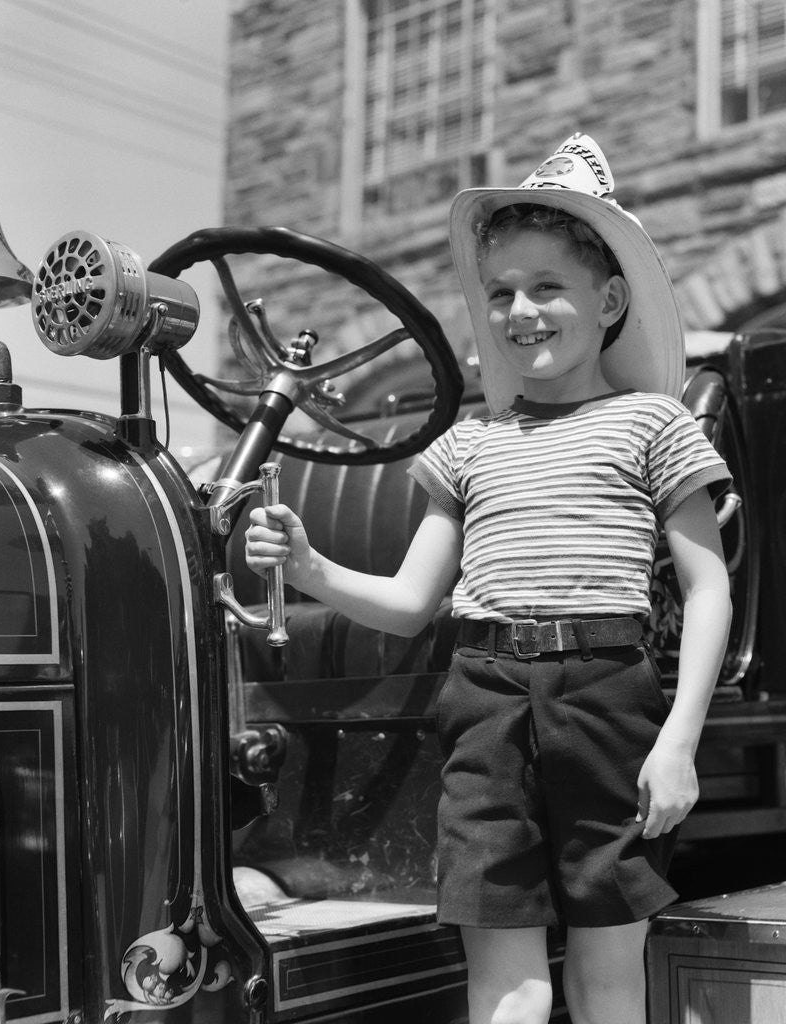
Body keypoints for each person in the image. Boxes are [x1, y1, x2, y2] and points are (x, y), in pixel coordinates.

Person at [245, 134, 732, 1024]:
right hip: (482, 701)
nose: (523, 311)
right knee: (504, 975)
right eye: (502, 292)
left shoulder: (652, 424)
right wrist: (311, 567)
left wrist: (677, 743)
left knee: (607, 973)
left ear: (610, 298)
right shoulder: (468, 446)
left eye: (549, 287)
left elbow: (708, 591)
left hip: (610, 698)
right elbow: (406, 606)